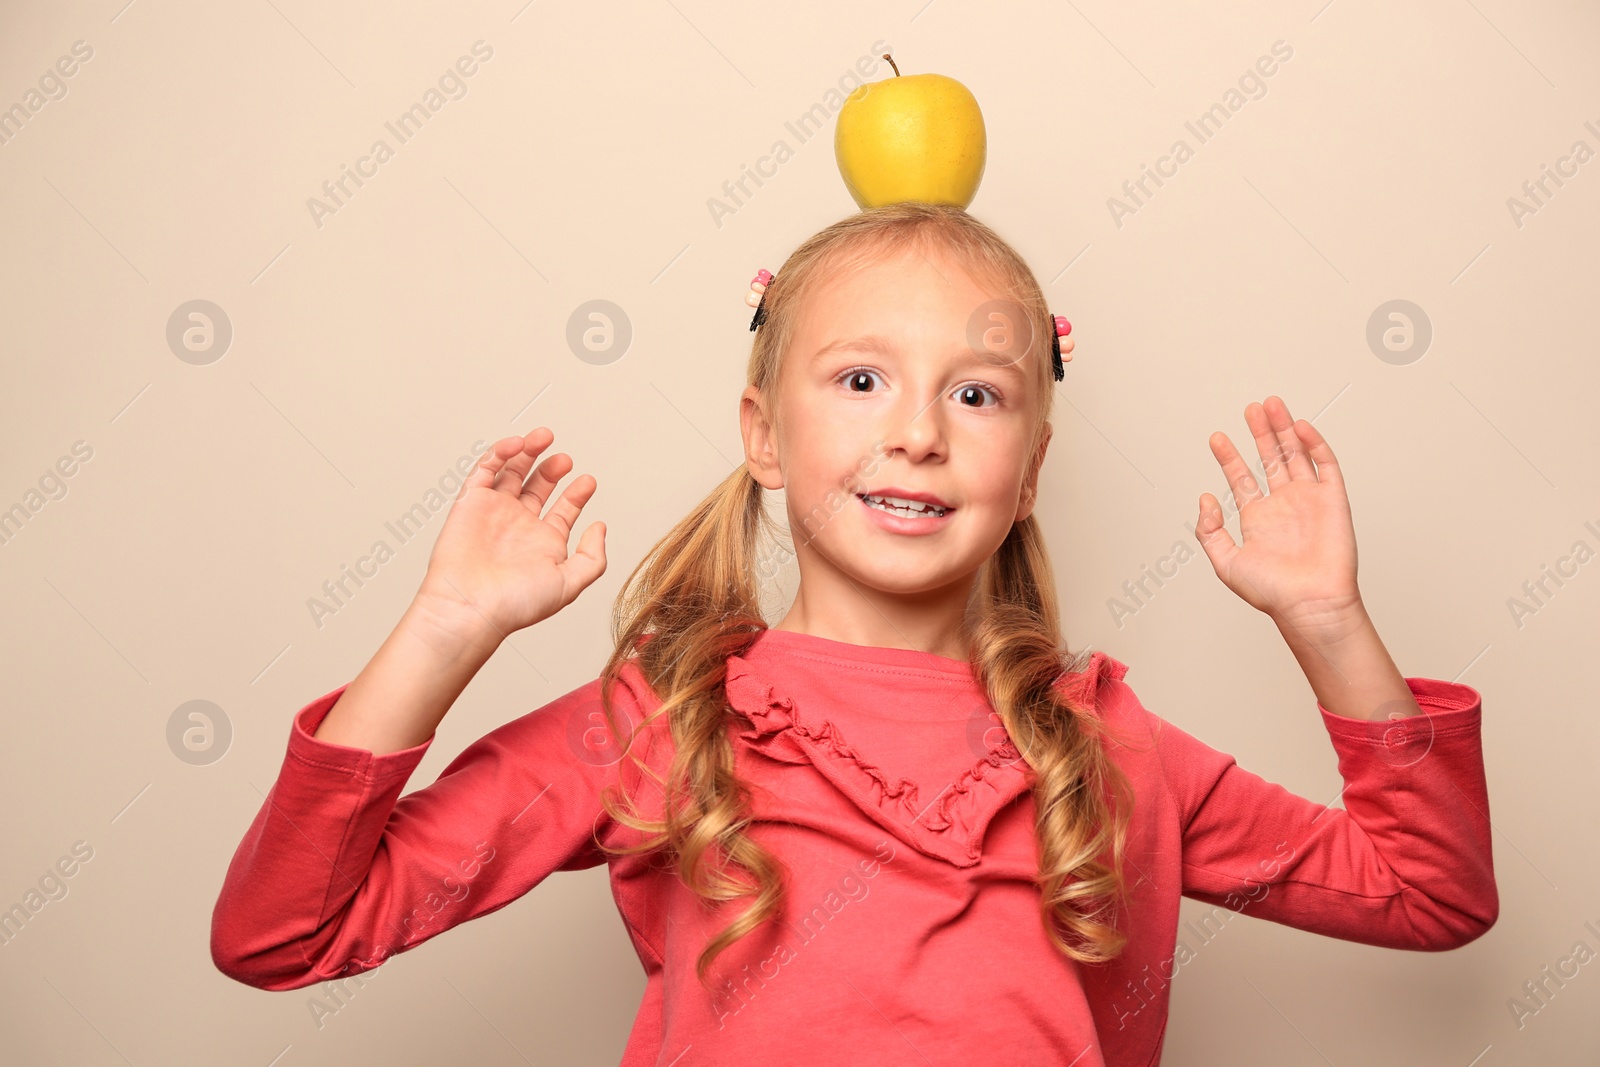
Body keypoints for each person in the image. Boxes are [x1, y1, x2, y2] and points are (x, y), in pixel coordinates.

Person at [210, 201, 1497, 1066]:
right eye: (862, 378)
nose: (918, 431)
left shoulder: (1104, 742)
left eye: (977, 392)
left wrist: (1328, 622)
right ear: (764, 434)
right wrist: (445, 628)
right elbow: (283, 935)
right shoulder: (658, 723)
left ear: (1031, 467)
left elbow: (1430, 896)